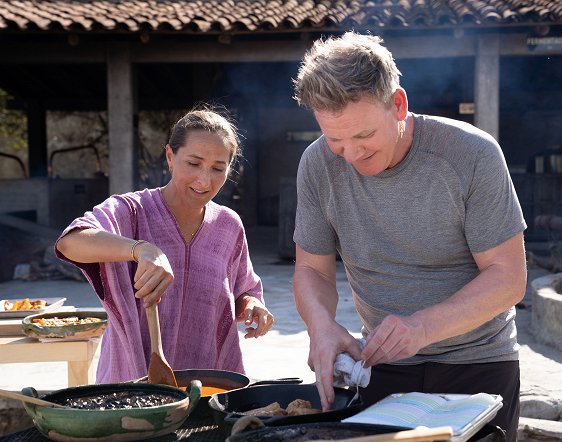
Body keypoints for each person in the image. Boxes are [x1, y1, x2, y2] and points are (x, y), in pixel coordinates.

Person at [292, 32, 527, 441]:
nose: (350, 155)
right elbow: (312, 268)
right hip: (381, 367)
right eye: (335, 139)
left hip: (478, 364)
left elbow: (508, 278)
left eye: (364, 137)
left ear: (398, 105)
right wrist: (320, 325)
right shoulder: (316, 164)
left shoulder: (472, 154)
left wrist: (422, 327)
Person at [55, 108, 274, 384]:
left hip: (206, 383)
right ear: (170, 157)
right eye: (193, 163)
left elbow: (243, 290)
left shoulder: (229, 226)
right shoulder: (132, 211)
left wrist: (253, 304)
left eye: (218, 168)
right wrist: (140, 249)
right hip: (131, 383)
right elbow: (71, 242)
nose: (204, 180)